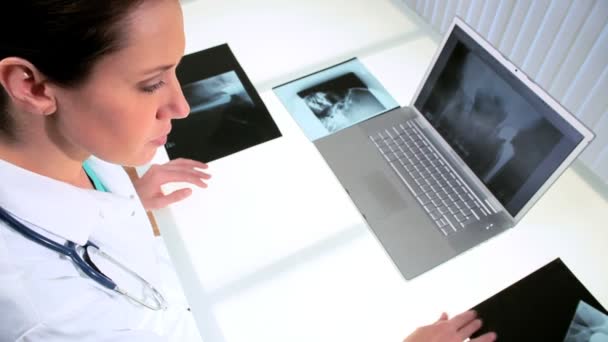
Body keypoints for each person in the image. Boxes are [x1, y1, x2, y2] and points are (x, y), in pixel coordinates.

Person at [0, 1, 496, 341]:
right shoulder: (54, 316)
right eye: (151, 83)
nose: (181, 105)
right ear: (33, 87)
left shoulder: (62, 145)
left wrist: (128, 195)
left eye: (174, 70)